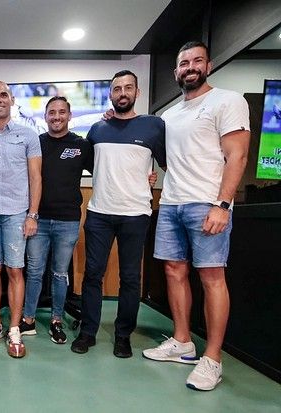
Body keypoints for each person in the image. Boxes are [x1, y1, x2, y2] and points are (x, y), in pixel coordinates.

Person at [143, 41, 250, 391]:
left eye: (196, 61)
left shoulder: (228, 101)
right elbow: (172, 159)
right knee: (174, 271)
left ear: (209, 64)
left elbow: (237, 157)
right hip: (172, 202)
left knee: (211, 278)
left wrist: (222, 205)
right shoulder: (170, 115)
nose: (190, 67)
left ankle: (213, 358)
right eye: (183, 62)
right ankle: (182, 342)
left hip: (207, 204)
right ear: (176, 71)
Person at [71, 70, 166, 358]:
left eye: (128, 88)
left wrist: (149, 178)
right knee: (92, 275)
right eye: (116, 88)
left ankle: (123, 335)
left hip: (136, 214)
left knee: (130, 279)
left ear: (136, 92)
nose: (122, 92)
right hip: (99, 212)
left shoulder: (154, 126)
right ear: (110, 94)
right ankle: (88, 331)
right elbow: (91, 164)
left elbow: (167, 163)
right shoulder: (98, 129)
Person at [20, 97, 93, 344]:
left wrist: (145, 177)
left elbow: (106, 170)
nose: (57, 117)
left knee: (60, 273)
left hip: (68, 221)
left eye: (62, 112)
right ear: (45, 117)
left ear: (70, 116)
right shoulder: (36, 144)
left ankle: (56, 320)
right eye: (52, 112)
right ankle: (27, 319)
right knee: (34, 272)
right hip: (37, 221)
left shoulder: (81, 145)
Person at [0, 81, 42, 358]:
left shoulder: (28, 135)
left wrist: (32, 214)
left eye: (3, 95)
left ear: (11, 100)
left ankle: (14, 329)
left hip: (17, 213)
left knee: (15, 270)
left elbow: (36, 178)